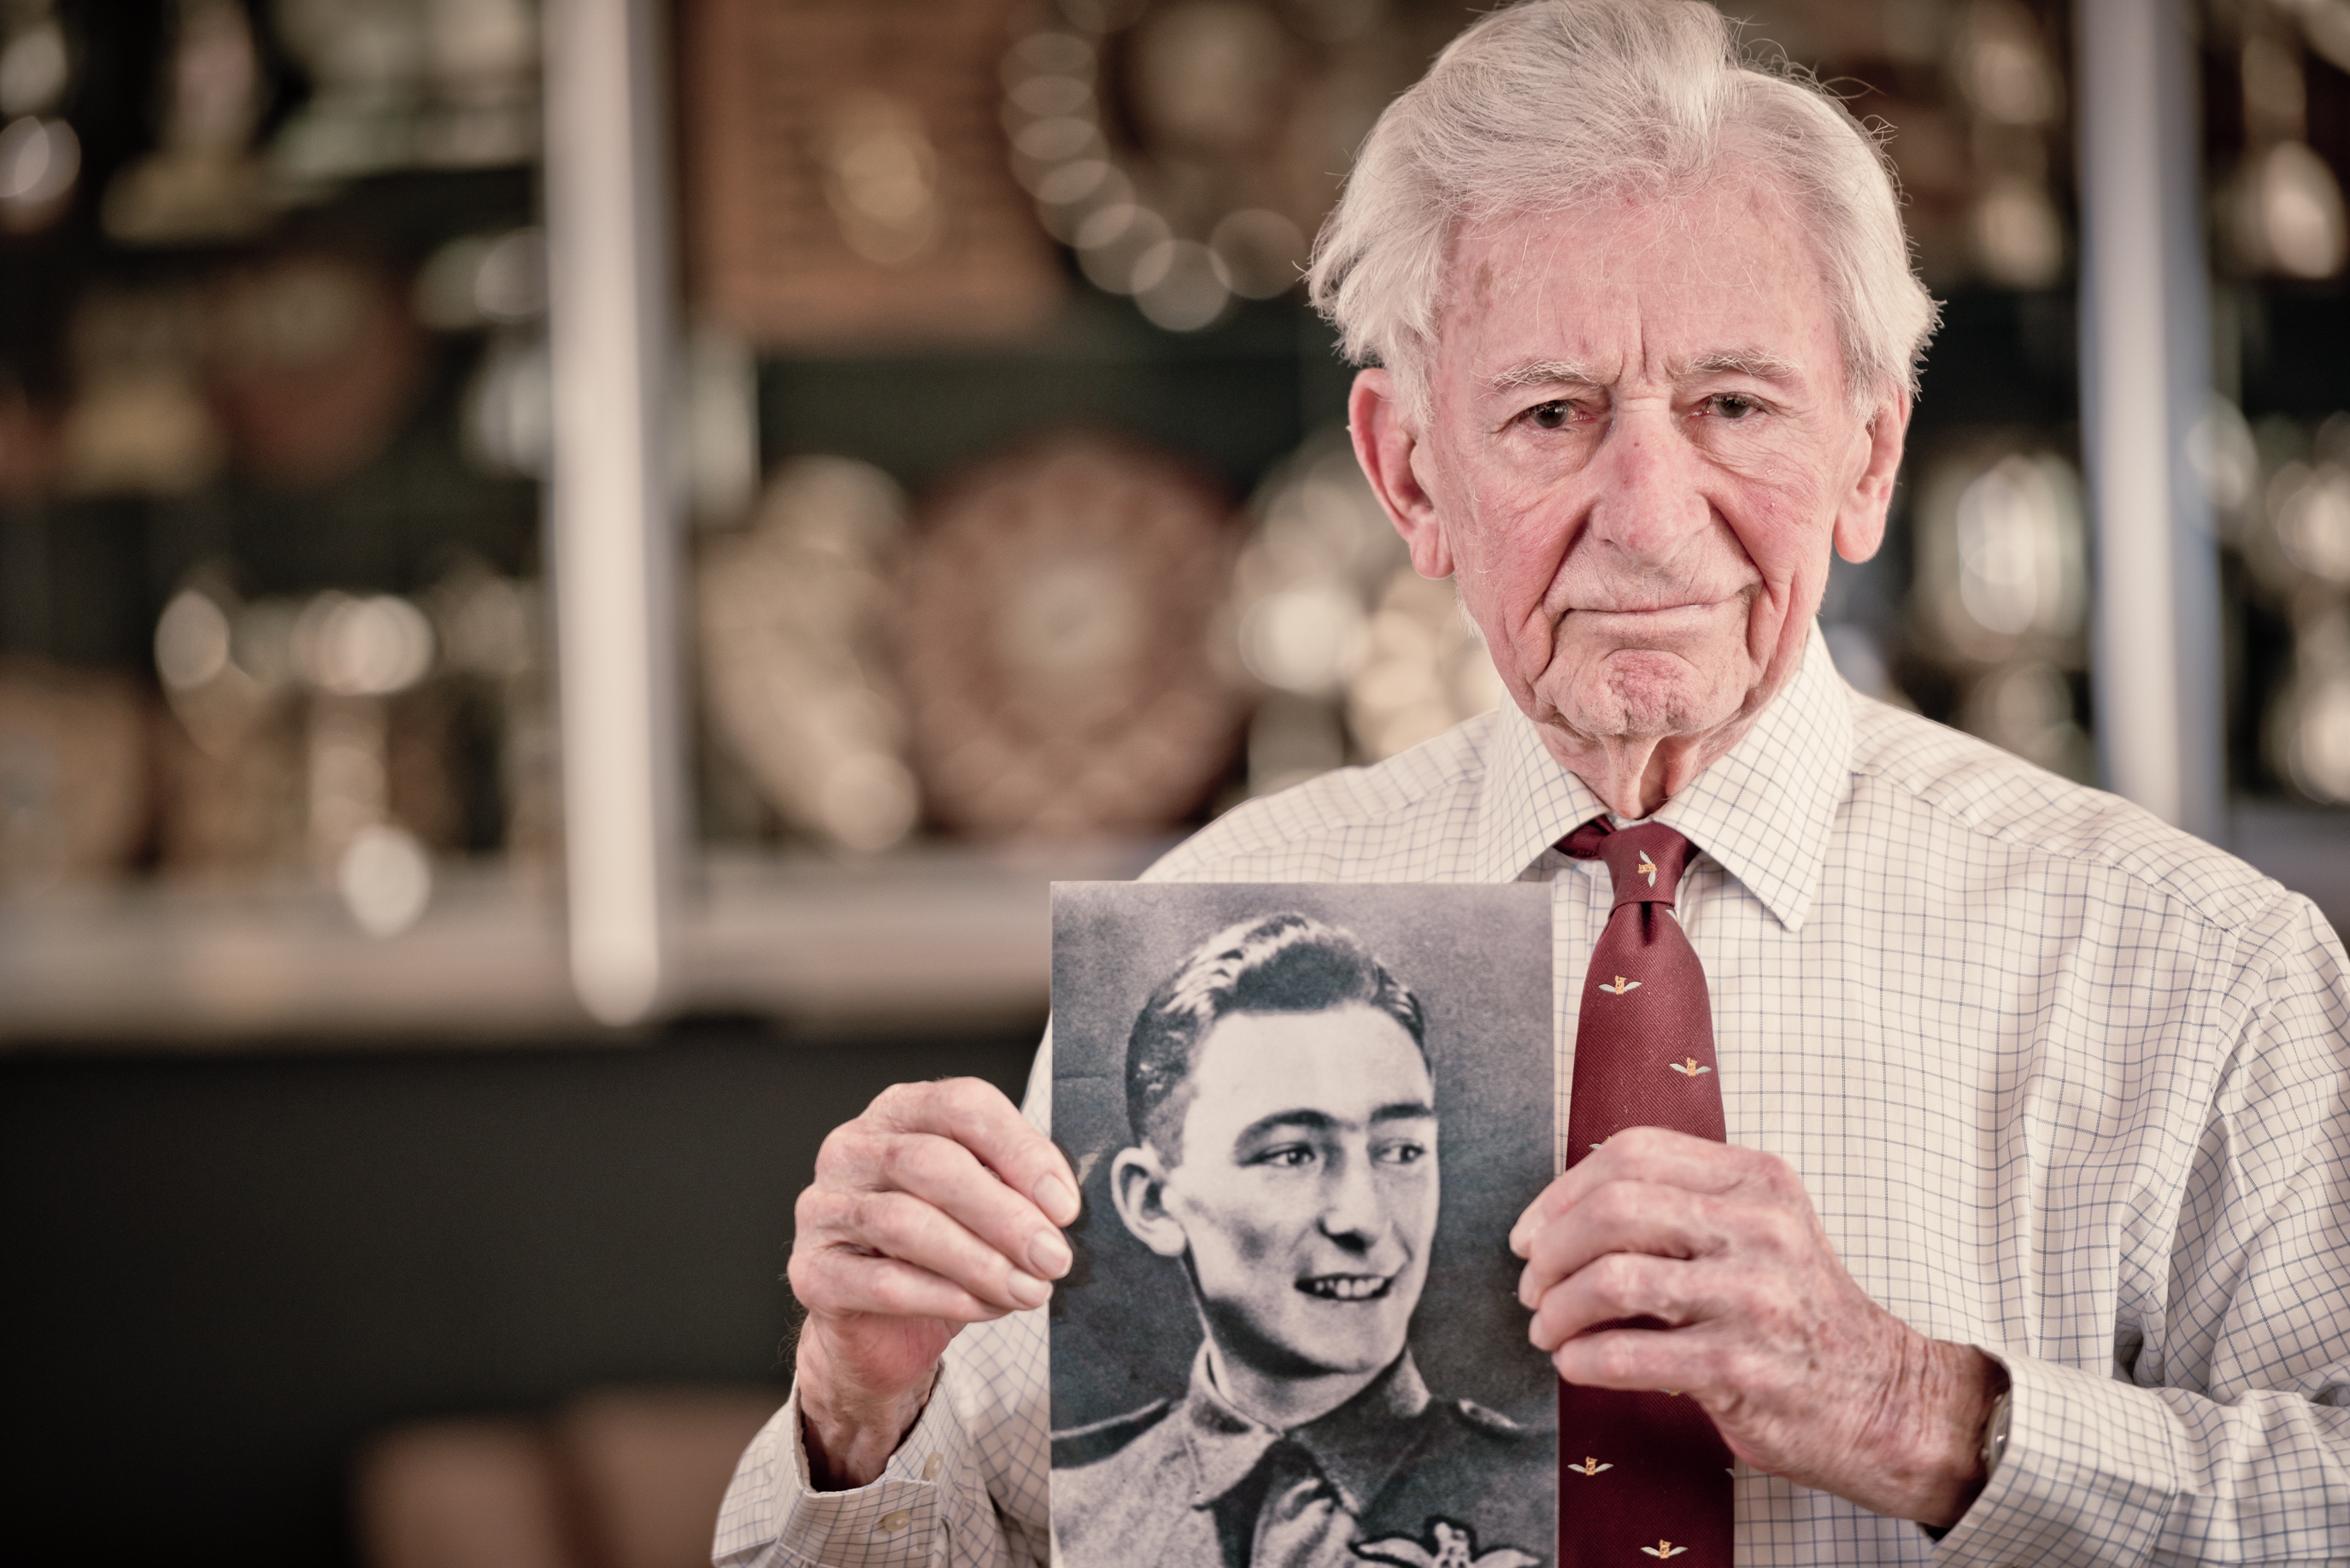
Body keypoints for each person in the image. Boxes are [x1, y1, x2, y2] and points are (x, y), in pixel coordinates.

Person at [717, 3, 2350, 1565]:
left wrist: (1925, 1414)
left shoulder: (2194, 960)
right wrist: (864, 1401)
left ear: (1868, 454)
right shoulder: (1225, 926)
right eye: (1554, 415)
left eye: (1733, 405)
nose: (1647, 513)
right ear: (1411, 473)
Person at [1051, 913, 1553, 1568]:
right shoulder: (1071, 1507)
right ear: (1152, 1201)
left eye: (1400, 1150)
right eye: (1291, 1154)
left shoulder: (1556, 1497)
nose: (1363, 1217)